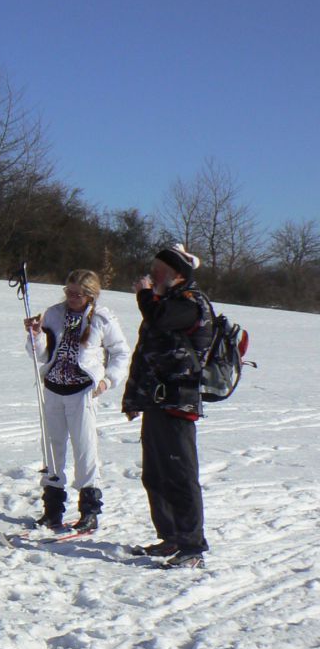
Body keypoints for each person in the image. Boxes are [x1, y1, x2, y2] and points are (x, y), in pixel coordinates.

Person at [121, 244, 213, 569]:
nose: (152, 274)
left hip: (178, 403)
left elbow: (159, 319)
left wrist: (145, 294)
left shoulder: (190, 302)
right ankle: (170, 537)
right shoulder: (165, 302)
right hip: (155, 402)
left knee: (180, 476)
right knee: (155, 475)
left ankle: (192, 547)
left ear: (176, 274)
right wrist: (133, 398)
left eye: (158, 270)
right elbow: (144, 354)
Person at [24, 269, 130, 531]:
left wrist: (107, 381)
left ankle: (89, 510)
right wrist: (35, 335)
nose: (71, 298)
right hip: (53, 388)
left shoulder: (102, 318)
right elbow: (40, 354)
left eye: (77, 295)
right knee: (52, 449)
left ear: (90, 296)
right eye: (68, 292)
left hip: (82, 392)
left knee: (85, 450)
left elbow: (121, 352)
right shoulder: (53, 314)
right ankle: (52, 510)